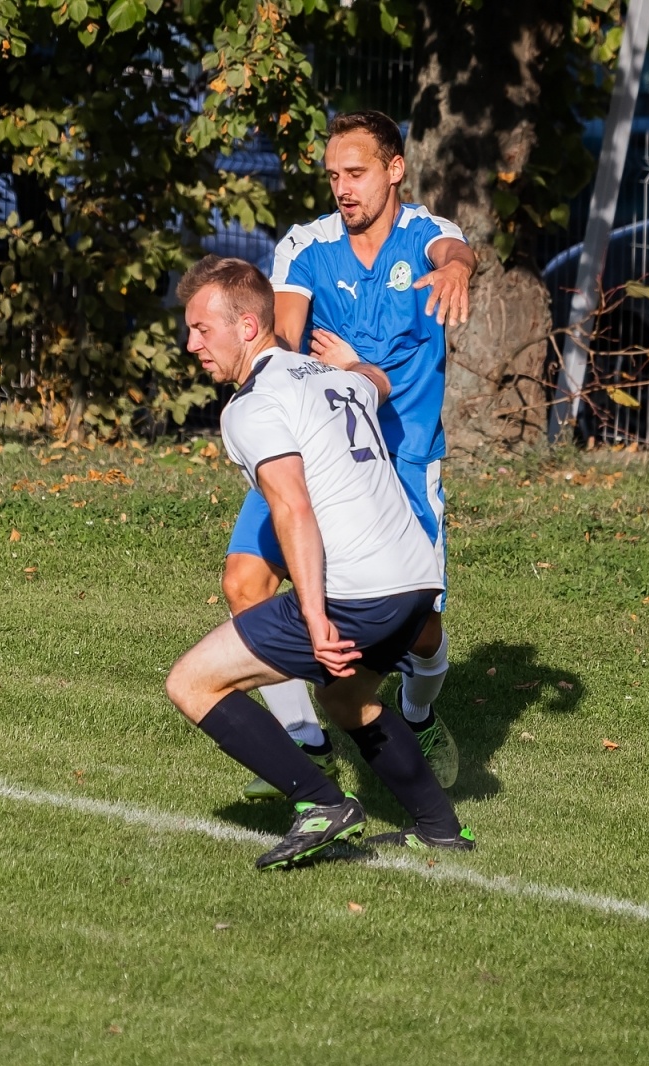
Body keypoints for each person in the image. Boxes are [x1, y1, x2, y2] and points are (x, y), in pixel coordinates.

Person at [164, 255, 474, 870]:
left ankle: (320, 803)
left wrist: (313, 616)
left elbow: (293, 510)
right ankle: (440, 829)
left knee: (191, 682)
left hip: (357, 589)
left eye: (203, 329)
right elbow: (378, 381)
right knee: (346, 702)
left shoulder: (250, 408)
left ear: (249, 327)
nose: (192, 343)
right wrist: (351, 364)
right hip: (415, 579)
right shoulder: (334, 378)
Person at [227, 110, 476, 800]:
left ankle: (418, 715)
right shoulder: (308, 246)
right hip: (317, 451)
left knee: (420, 628)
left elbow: (454, 255)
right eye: (333, 174)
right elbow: (283, 337)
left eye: (357, 172)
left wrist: (456, 272)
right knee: (246, 583)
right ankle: (305, 742)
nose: (343, 187)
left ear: (395, 169)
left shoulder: (427, 235)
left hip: (402, 458)